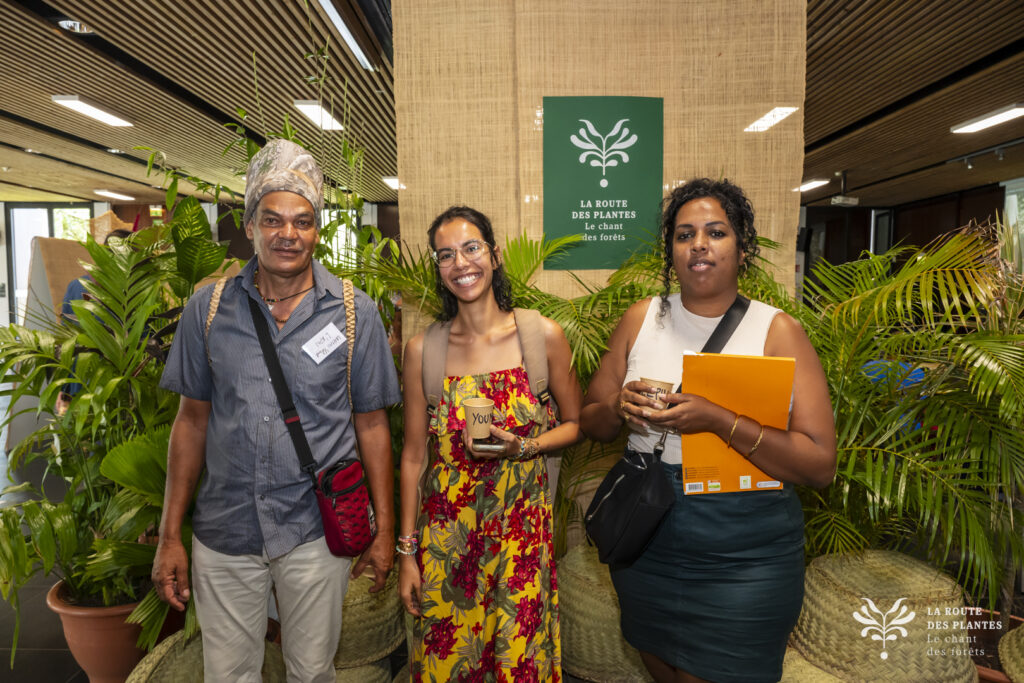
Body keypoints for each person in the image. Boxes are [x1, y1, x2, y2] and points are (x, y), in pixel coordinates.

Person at [152, 139, 400, 683]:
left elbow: (372, 425)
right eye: (273, 219)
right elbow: (191, 422)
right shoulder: (207, 310)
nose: (288, 233)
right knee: (229, 674)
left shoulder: (354, 313)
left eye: (302, 221)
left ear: (317, 231)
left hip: (314, 529)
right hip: (226, 529)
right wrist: (170, 535)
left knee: (311, 671)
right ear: (250, 226)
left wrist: (384, 531)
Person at [580, 178, 836, 683]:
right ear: (671, 252)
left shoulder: (777, 330)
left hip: (746, 546)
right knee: (660, 663)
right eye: (685, 235)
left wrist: (719, 421)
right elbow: (591, 421)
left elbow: (820, 464)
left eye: (716, 232)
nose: (699, 244)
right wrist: (617, 405)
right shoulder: (641, 320)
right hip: (648, 533)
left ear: (742, 249)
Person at [398, 206, 582, 681]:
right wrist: (407, 554)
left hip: (521, 541)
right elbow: (413, 457)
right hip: (447, 545)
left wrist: (525, 447)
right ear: (438, 269)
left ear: (495, 255)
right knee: (448, 666)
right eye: (446, 255)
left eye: (471, 248)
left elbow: (575, 424)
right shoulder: (423, 351)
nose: (460, 263)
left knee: (517, 666)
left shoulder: (541, 337)